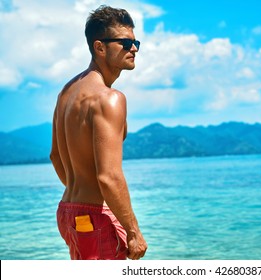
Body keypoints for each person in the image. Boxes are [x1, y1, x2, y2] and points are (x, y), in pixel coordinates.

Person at [50, 5, 147, 260]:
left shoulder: (66, 93)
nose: (134, 48)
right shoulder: (109, 99)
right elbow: (109, 176)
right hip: (92, 218)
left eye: (135, 41)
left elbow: (56, 157)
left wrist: (79, 196)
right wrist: (133, 231)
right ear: (99, 47)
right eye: (125, 42)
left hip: (68, 212)